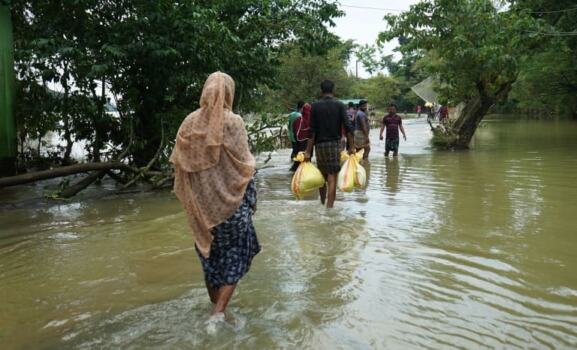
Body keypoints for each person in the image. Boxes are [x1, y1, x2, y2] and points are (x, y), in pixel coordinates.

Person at [170, 72, 260, 317]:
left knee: (211, 260)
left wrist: (194, 203)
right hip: (233, 208)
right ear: (229, 93)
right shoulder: (233, 122)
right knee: (236, 258)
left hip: (202, 212)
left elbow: (181, 166)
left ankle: (216, 309)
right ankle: (219, 313)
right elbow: (245, 166)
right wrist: (251, 200)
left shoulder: (189, 123)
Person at [304, 80, 354, 208]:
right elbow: (348, 127)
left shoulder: (315, 106)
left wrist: (308, 152)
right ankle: (329, 208)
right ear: (333, 90)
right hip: (334, 144)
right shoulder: (339, 105)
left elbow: (312, 130)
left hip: (319, 145)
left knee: (322, 175)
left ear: (321, 91)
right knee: (332, 176)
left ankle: (322, 203)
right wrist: (352, 146)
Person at [288, 101, 305, 171]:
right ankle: (294, 169)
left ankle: (291, 163)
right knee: (297, 152)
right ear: (302, 107)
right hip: (296, 136)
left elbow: (289, 125)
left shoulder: (292, 114)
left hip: (291, 135)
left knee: (294, 151)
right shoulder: (299, 116)